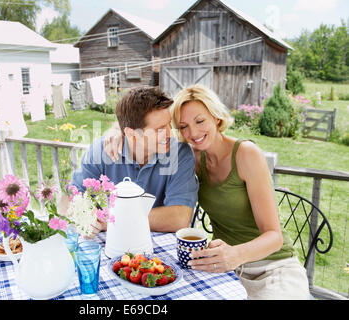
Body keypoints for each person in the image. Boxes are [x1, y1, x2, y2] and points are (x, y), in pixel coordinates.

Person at [105, 85, 310, 300]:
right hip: (224, 267)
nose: (193, 133)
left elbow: (275, 237)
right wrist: (120, 132)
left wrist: (235, 255)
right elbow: (142, 128)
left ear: (216, 116)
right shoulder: (192, 158)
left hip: (272, 266)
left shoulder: (246, 154)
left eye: (200, 121)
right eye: (183, 126)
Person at [68, 86, 199, 236]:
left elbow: (179, 218)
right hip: (108, 244)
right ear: (131, 134)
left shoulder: (180, 154)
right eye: (160, 129)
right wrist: (85, 216)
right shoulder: (100, 151)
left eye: (169, 124)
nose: (170, 134)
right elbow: (71, 200)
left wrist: (111, 219)